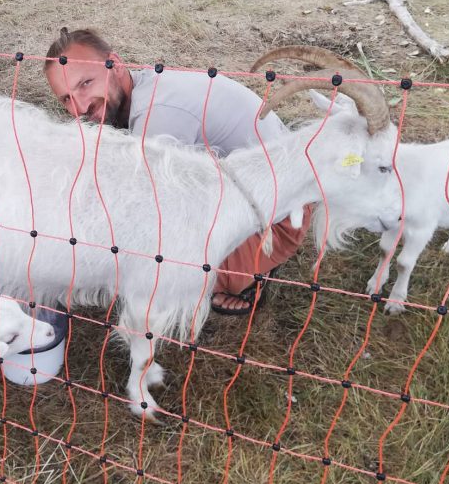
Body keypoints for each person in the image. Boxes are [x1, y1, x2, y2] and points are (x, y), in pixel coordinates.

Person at [43, 27, 311, 315]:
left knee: (159, 274)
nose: (80, 106)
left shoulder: (158, 116)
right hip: (257, 190)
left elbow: (143, 213)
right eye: (66, 99)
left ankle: (246, 275)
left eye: (85, 83)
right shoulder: (141, 88)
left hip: (281, 219)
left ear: (116, 64)